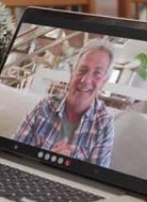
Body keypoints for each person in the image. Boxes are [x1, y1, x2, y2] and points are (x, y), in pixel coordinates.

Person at [13, 39, 115, 167]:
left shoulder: (104, 124)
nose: (85, 80)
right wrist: (46, 160)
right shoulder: (44, 107)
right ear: (73, 74)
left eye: (97, 73)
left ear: (104, 82)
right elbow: (12, 152)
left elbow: (97, 179)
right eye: (82, 70)